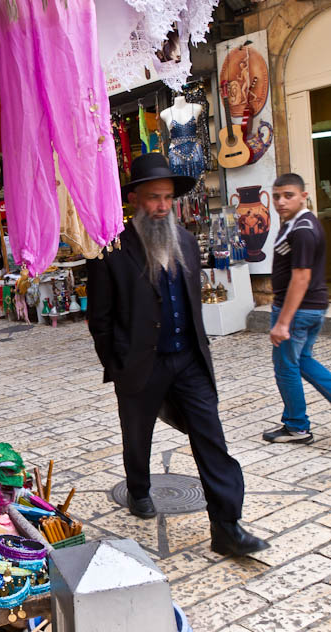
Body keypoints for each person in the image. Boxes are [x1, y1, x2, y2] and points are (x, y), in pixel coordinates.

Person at [87, 153, 269, 557]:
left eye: (168, 197)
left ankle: (226, 526)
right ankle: (138, 489)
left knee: (212, 439)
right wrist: (117, 365)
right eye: (154, 197)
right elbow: (98, 318)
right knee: (138, 435)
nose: (163, 206)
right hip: (139, 364)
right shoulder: (110, 250)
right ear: (135, 198)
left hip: (188, 360)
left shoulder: (185, 241)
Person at [264, 173, 331, 444]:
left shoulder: (303, 229)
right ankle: (295, 423)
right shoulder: (296, 223)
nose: (281, 201)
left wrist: (283, 322)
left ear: (304, 196)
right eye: (277, 195)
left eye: (288, 195)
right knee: (302, 361)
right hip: (309, 308)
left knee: (286, 366)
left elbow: (301, 277)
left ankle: (296, 427)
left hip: (298, 310)